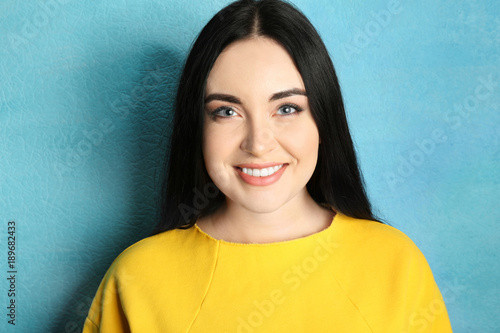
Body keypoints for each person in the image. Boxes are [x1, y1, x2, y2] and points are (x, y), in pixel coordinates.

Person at [83, 0, 453, 332]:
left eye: (287, 108)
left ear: (323, 121)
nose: (258, 143)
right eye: (226, 111)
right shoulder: (136, 279)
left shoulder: (396, 265)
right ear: (197, 128)